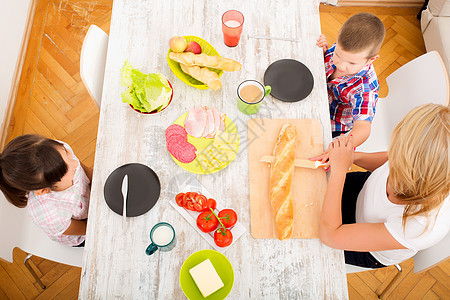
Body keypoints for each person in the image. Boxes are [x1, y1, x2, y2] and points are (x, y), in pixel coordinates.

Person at [318, 103, 449, 268]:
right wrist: (351, 157)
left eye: (398, 167)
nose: (392, 163)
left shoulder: (420, 227)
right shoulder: (416, 158)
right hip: (364, 190)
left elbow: (330, 236)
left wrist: (339, 171)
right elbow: (388, 159)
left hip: (368, 245)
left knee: (307, 239)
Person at [0, 134, 92, 247]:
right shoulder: (49, 215)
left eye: (67, 153)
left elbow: (87, 171)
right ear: (44, 190)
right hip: (83, 228)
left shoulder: (58, 153)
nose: (75, 163)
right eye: (67, 170)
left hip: (88, 198)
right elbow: (85, 228)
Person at [316, 12, 385, 153]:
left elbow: (363, 128)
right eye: (338, 55)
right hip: (316, 97)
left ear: (371, 59)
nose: (341, 65)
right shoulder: (343, 49)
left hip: (333, 126)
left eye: (351, 63)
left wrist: (343, 145)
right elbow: (327, 61)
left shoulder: (365, 89)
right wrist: (324, 51)